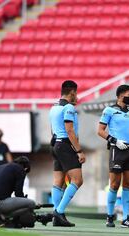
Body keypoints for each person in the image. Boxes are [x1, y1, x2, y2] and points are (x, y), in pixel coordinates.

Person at [98, 84, 129, 228]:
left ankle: (125, 218)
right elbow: (100, 130)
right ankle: (110, 216)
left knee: (128, 185)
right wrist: (115, 141)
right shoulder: (109, 110)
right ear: (120, 96)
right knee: (114, 184)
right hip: (117, 150)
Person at [49, 80, 86, 227]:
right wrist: (79, 151)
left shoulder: (53, 107)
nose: (77, 96)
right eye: (76, 93)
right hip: (66, 145)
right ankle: (58, 211)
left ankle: (57, 216)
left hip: (55, 144)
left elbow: (52, 130)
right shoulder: (69, 107)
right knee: (77, 180)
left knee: (58, 182)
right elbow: (70, 130)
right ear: (72, 93)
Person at [0, 156, 41, 228]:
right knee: (31, 203)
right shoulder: (20, 169)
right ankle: (2, 217)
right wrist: (33, 205)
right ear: (25, 168)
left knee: (23, 203)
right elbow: (18, 194)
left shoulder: (2, 167)